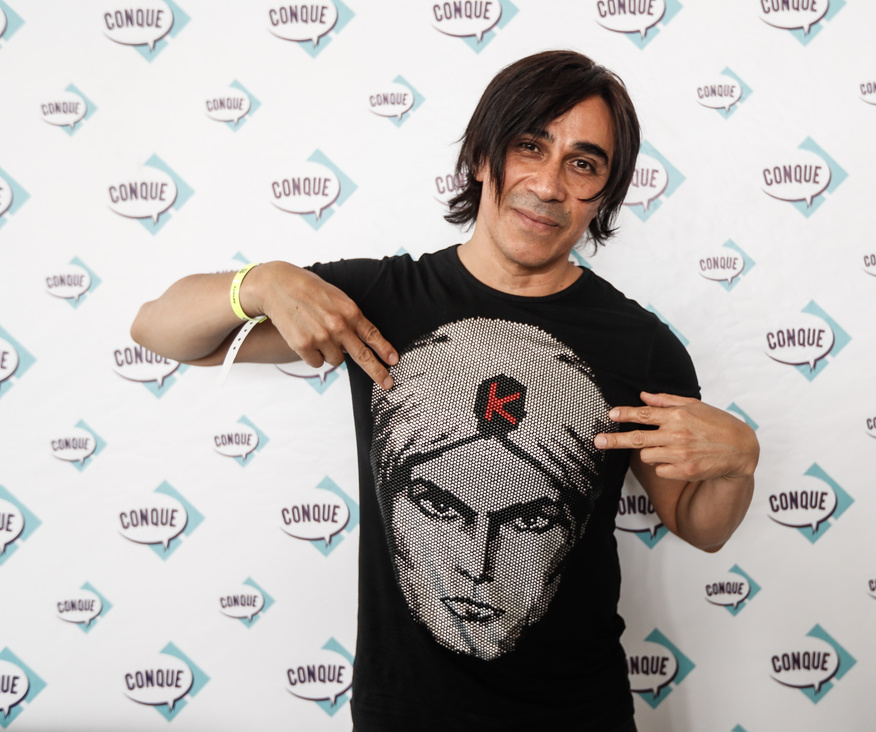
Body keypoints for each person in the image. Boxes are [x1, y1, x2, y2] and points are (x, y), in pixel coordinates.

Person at [133, 50, 758, 732]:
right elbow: (161, 332)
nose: (548, 185)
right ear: (483, 155)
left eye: (583, 164)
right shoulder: (377, 301)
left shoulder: (640, 345)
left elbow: (698, 524)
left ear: (604, 192)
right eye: (529, 146)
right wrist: (258, 283)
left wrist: (739, 465)